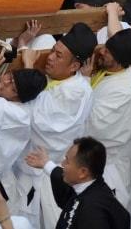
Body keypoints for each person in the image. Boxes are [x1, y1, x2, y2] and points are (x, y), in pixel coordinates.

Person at [16, 22, 97, 229]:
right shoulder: (77, 82)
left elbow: (34, 116)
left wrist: (26, 61)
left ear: (74, 67)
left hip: (42, 173)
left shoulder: (73, 92)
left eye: (59, 55)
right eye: (52, 50)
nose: (50, 57)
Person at [84, 29, 131, 223]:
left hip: (109, 169)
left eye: (107, 51)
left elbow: (96, 126)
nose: (101, 52)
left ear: (118, 60)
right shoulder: (109, 74)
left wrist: (81, 83)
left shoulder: (125, 90)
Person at [0, 48, 46, 229]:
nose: (4, 82)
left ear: (19, 98)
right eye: (10, 76)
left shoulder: (9, 112)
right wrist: (27, 61)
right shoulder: (25, 106)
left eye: (13, 88)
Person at [25, 137, 131, 229]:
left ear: (83, 172)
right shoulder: (92, 185)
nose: (62, 164)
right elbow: (65, 186)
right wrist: (46, 164)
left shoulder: (93, 214)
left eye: (67, 161)